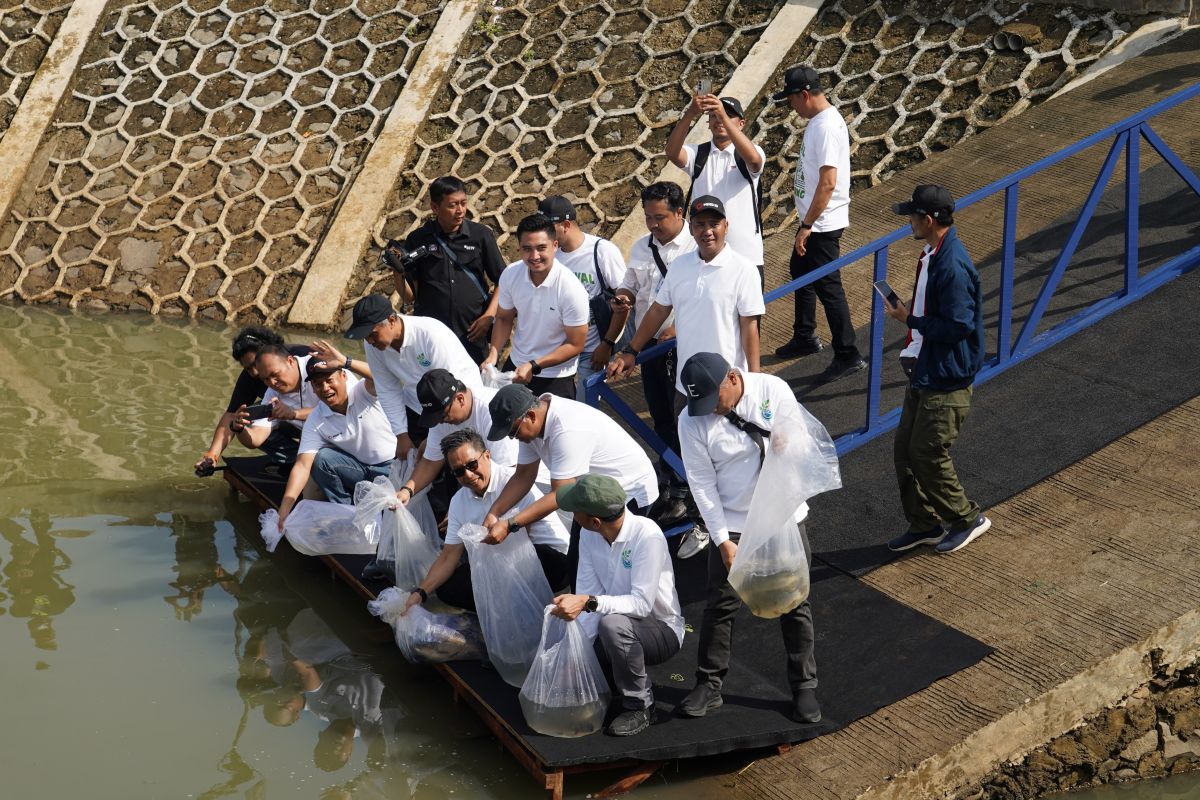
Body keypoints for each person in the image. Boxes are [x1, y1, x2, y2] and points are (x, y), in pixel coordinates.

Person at [608, 195, 764, 559]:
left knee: (738, 460)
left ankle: (748, 526)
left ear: (725, 226)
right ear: (691, 228)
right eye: (700, 225)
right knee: (696, 463)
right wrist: (630, 350)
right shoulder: (680, 268)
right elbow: (658, 310)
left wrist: (755, 381)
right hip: (687, 386)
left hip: (730, 388)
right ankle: (706, 523)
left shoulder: (742, 270)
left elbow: (749, 329)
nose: (707, 231)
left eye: (714, 224)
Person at [675, 351, 821, 725]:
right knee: (720, 604)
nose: (710, 411)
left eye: (713, 401)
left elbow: (806, 442)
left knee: (794, 600)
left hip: (781, 515)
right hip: (734, 521)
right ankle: (708, 685)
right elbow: (702, 484)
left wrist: (789, 443)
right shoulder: (691, 422)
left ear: (733, 379)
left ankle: (804, 687)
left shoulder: (773, 389)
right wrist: (722, 540)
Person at [883, 185, 991, 554]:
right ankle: (924, 523)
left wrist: (908, 318)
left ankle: (966, 518)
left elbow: (959, 326)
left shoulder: (952, 266)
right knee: (904, 452)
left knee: (927, 453)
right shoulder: (933, 254)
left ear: (928, 221)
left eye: (912, 217)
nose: (908, 223)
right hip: (927, 370)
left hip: (946, 378)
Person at [481, 384, 659, 588]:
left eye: (513, 432)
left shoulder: (567, 427)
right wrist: (494, 512)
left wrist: (511, 524)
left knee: (618, 575)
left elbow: (559, 494)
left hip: (627, 494)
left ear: (530, 415)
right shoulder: (531, 426)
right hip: (588, 495)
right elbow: (523, 475)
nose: (514, 438)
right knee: (579, 569)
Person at [549, 475, 684, 737]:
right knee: (574, 655)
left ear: (595, 520)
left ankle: (641, 705)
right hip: (613, 625)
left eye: (576, 511)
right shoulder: (589, 535)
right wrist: (578, 656)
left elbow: (641, 605)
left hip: (661, 630)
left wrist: (589, 603)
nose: (572, 515)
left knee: (613, 625)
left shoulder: (647, 536)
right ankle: (612, 678)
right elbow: (589, 596)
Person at [403, 428, 571, 613]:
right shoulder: (458, 501)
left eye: (472, 464)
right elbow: (449, 556)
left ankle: (512, 612)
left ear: (487, 456)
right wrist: (420, 593)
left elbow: (520, 547)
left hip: (547, 559)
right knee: (447, 589)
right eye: (458, 471)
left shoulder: (515, 483)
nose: (467, 475)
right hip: (501, 565)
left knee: (503, 573)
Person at [771, 66, 866, 384]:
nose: (790, 106)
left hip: (822, 223)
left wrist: (807, 224)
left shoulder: (825, 126)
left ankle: (847, 354)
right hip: (813, 220)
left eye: (790, 99)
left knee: (829, 286)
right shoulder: (819, 122)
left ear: (804, 95)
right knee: (800, 273)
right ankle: (805, 335)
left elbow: (828, 182)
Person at [614, 181, 697, 525]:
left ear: (680, 213)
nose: (652, 224)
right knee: (659, 415)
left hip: (682, 347)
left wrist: (677, 329)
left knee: (686, 420)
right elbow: (631, 283)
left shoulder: (695, 247)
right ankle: (671, 480)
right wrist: (623, 296)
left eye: (659, 217)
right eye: (648, 217)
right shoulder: (641, 247)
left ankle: (689, 489)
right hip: (648, 347)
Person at [344, 294, 483, 461]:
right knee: (414, 459)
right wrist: (401, 434)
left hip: (457, 404)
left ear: (392, 319)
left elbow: (447, 392)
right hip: (419, 406)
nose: (369, 341)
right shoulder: (373, 345)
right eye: (365, 336)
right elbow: (387, 389)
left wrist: (433, 439)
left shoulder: (430, 334)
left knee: (456, 460)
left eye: (373, 334)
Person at [274, 349, 395, 531]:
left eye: (329, 380)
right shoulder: (316, 418)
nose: (325, 389)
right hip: (359, 470)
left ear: (343, 376)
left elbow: (382, 376)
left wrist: (347, 360)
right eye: (318, 384)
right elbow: (302, 466)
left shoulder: (364, 392)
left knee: (392, 521)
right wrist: (283, 511)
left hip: (392, 468)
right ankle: (348, 514)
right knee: (321, 459)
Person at [390, 175, 506, 363]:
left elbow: (504, 280)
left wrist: (489, 316)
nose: (460, 211)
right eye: (453, 205)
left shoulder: (481, 235)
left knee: (476, 387)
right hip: (432, 336)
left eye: (463, 203)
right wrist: (397, 270)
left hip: (473, 333)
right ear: (435, 207)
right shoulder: (418, 239)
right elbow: (410, 297)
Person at [481, 214, 589, 400]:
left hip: (555, 376)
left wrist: (535, 364)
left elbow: (576, 344)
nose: (534, 256)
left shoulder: (571, 288)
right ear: (519, 249)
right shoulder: (511, 274)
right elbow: (504, 318)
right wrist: (494, 353)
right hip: (516, 365)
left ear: (555, 246)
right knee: (507, 426)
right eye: (527, 249)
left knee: (549, 429)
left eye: (541, 248)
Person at [536, 195, 629, 402]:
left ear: (566, 225)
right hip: (560, 348)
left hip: (593, 349)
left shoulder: (601, 251)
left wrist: (607, 345)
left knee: (586, 405)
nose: (543, 235)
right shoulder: (551, 254)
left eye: (548, 228)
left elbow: (624, 304)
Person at [665, 91, 765, 281]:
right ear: (708, 123)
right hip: (706, 255)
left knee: (747, 311)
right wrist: (690, 113)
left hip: (746, 255)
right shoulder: (698, 153)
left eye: (728, 115)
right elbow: (671, 153)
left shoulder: (751, 151)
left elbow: (754, 161)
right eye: (714, 116)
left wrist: (721, 115)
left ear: (741, 124)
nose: (719, 119)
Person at [195, 327, 312, 474]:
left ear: (290, 362)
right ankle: (293, 459)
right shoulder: (267, 390)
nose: (256, 373)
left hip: (326, 422)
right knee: (250, 415)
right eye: (249, 368)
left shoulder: (306, 360)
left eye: (257, 364)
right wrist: (212, 455)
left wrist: (294, 414)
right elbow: (232, 415)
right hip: (291, 420)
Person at [394, 368, 519, 505]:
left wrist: (473, 509)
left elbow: (509, 472)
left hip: (522, 484)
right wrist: (407, 491)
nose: (440, 422)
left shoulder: (491, 410)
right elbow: (430, 461)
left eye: (443, 416)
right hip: (484, 486)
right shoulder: (443, 418)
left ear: (460, 399)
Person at [233, 343, 334, 458]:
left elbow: (339, 408)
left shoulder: (318, 365)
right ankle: (297, 459)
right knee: (253, 418)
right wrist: (239, 429)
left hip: (347, 439)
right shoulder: (272, 392)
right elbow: (256, 439)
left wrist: (293, 414)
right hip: (316, 439)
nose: (272, 383)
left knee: (322, 457)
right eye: (266, 379)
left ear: (290, 361)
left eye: (275, 374)